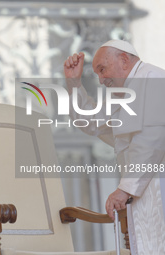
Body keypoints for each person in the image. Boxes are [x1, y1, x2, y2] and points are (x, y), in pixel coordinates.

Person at [64, 40, 165, 254]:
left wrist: (125, 189)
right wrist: (74, 84)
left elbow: (151, 140)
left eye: (102, 69)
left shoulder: (154, 79)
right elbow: (91, 122)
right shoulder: (123, 93)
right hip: (145, 194)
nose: (101, 80)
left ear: (124, 60)